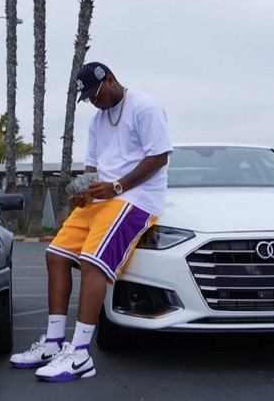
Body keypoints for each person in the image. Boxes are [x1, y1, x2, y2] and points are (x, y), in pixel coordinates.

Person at [10, 61, 172, 382]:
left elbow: (159, 156)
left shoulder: (144, 107)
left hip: (135, 200)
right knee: (55, 255)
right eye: (89, 98)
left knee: (92, 261)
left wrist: (117, 187)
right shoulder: (98, 120)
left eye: (96, 94)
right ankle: (53, 343)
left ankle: (80, 353)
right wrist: (83, 192)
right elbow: (92, 168)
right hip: (101, 199)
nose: (94, 102)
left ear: (110, 80)